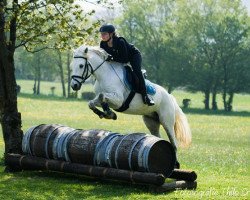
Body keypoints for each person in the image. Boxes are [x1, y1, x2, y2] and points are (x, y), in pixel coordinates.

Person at [99, 24, 155, 106]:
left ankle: (145, 96)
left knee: (137, 71)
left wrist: (112, 59)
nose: (102, 36)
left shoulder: (120, 42)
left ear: (111, 34)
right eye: (101, 34)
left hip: (133, 55)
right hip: (119, 58)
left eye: (104, 34)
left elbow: (124, 59)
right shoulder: (102, 44)